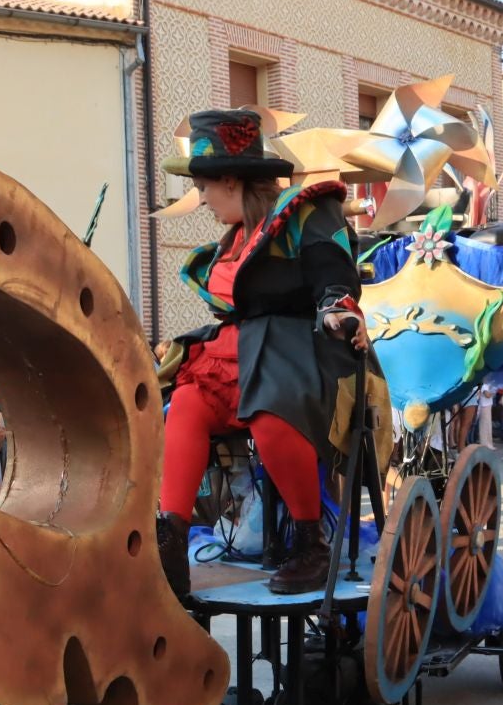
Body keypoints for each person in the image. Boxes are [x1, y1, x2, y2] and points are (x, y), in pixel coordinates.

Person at [154, 109, 364, 597]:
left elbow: (332, 270)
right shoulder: (232, 241)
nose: (201, 199)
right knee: (184, 403)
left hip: (300, 354)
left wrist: (337, 306)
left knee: (267, 407)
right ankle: (170, 544)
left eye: (204, 187)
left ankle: (311, 544)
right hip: (241, 351)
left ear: (230, 180)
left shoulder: (305, 212)